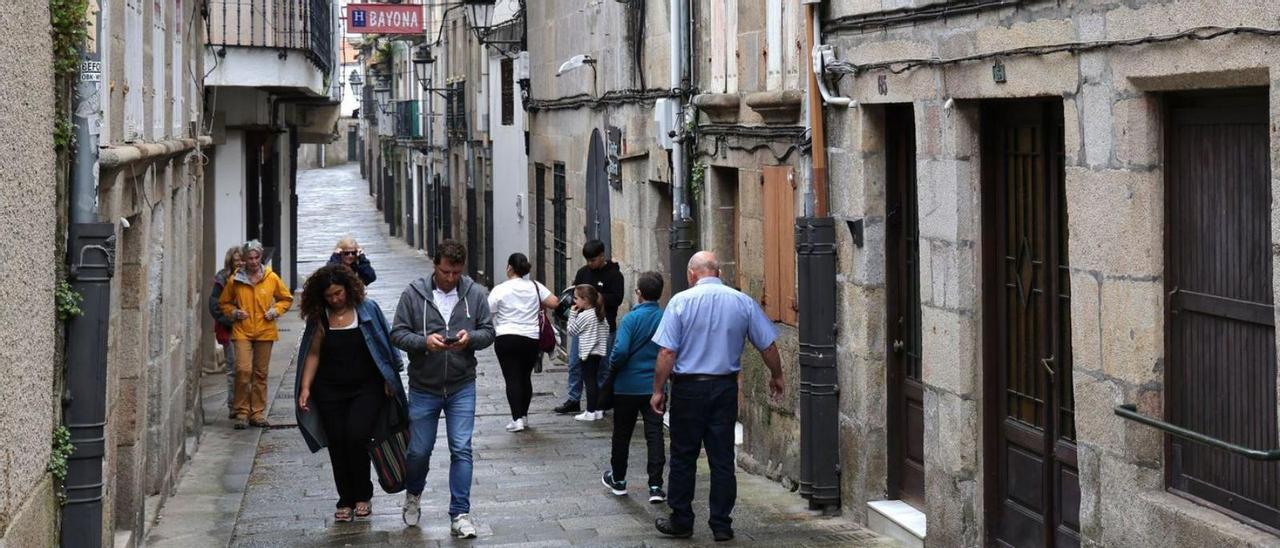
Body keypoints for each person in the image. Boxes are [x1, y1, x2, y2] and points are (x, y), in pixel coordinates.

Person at [649, 251, 785, 542]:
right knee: (722, 458)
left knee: (683, 455)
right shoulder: (742, 302)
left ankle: (682, 520)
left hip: (688, 389)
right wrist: (777, 375)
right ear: (718, 273)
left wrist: (658, 389)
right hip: (724, 388)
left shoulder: (680, 302)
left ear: (691, 274)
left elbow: (666, 352)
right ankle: (721, 524)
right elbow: (768, 346)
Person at [390, 239, 494, 538]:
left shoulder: (473, 293)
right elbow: (397, 333)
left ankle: (460, 513)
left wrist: (469, 338)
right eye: (446, 272)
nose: (451, 278)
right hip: (424, 386)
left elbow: (488, 332)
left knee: (461, 448)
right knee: (419, 451)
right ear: (435, 265)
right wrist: (425, 342)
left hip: (462, 384)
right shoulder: (413, 293)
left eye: (456, 273)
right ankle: (414, 493)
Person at [295, 265, 407, 523]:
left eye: (339, 293)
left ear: (348, 289)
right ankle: (345, 498)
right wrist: (305, 387)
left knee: (356, 436)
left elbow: (386, 342)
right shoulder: (320, 317)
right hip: (329, 389)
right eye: (330, 296)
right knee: (337, 441)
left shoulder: (367, 310)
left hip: (366, 387)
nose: (335, 299)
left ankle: (363, 496)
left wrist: (390, 376)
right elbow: (313, 354)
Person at [600, 271, 667, 504]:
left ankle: (618, 479)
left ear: (639, 293)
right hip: (655, 386)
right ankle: (656, 486)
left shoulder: (630, 319)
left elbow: (620, 352)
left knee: (622, 435)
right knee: (655, 435)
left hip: (626, 386)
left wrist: (613, 366)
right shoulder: (664, 317)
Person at [219, 240, 294, 430]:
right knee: (243, 370)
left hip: (265, 329)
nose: (253, 261)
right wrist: (234, 313)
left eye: (256, 257)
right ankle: (242, 411)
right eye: (249, 258)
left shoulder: (271, 277)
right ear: (243, 259)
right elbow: (224, 303)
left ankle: (257, 413)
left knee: (261, 373)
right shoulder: (235, 279)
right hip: (242, 329)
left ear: (261, 257)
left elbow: (286, 298)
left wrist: (275, 311)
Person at [488, 253, 559, 432]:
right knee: (525, 377)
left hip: (507, 337)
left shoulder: (500, 289)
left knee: (512, 378)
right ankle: (524, 417)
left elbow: (487, 310)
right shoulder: (535, 286)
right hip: (531, 339)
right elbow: (555, 302)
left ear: (509, 268)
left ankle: (516, 419)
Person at [554, 239, 625, 415]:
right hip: (582, 325)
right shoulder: (583, 273)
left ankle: (601, 402)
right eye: (588, 260)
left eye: (593, 260)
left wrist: (594, 298)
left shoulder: (614, 275)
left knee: (602, 366)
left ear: (602, 256)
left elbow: (616, 299)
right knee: (575, 363)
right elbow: (575, 294)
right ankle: (573, 398)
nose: (590, 264)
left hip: (603, 328)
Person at [209, 245, 244, 419]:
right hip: (230, 329)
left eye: (241, 260)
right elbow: (214, 306)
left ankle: (245, 405)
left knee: (248, 369)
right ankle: (233, 405)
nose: (240, 263)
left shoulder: (248, 277)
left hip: (248, 329)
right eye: (236, 260)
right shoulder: (222, 279)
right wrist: (231, 319)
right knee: (233, 369)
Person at [566, 284, 610, 422]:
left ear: (585, 300)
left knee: (589, 382)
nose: (574, 301)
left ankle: (590, 411)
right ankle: (597, 409)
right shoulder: (599, 314)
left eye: (576, 298)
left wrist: (572, 314)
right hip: (598, 352)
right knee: (595, 381)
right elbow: (606, 330)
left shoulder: (585, 315)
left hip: (587, 353)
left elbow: (571, 330)